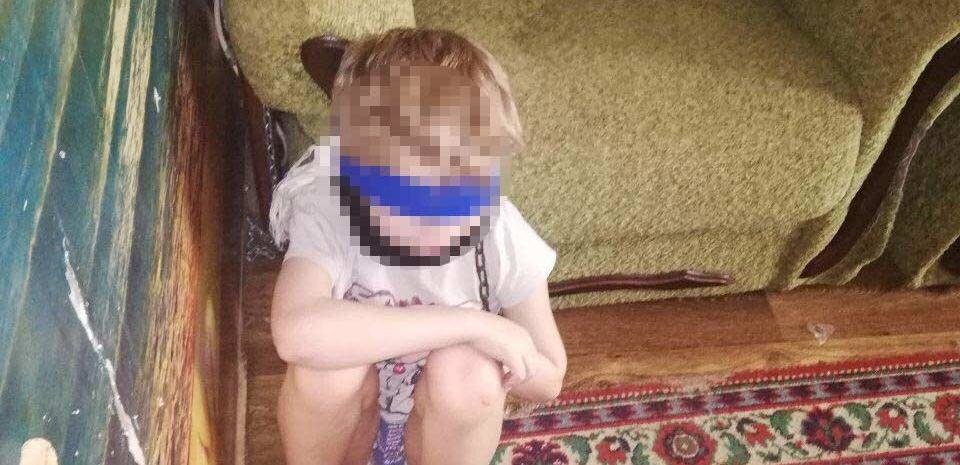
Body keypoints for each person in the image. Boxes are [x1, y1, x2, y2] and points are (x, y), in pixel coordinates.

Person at [268, 27, 567, 465]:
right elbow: (294, 331)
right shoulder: (332, 208)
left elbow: (550, 378)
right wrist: (471, 325)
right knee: (326, 370)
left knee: (472, 376)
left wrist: (507, 352)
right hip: (350, 423)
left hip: (434, 433)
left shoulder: (499, 233)